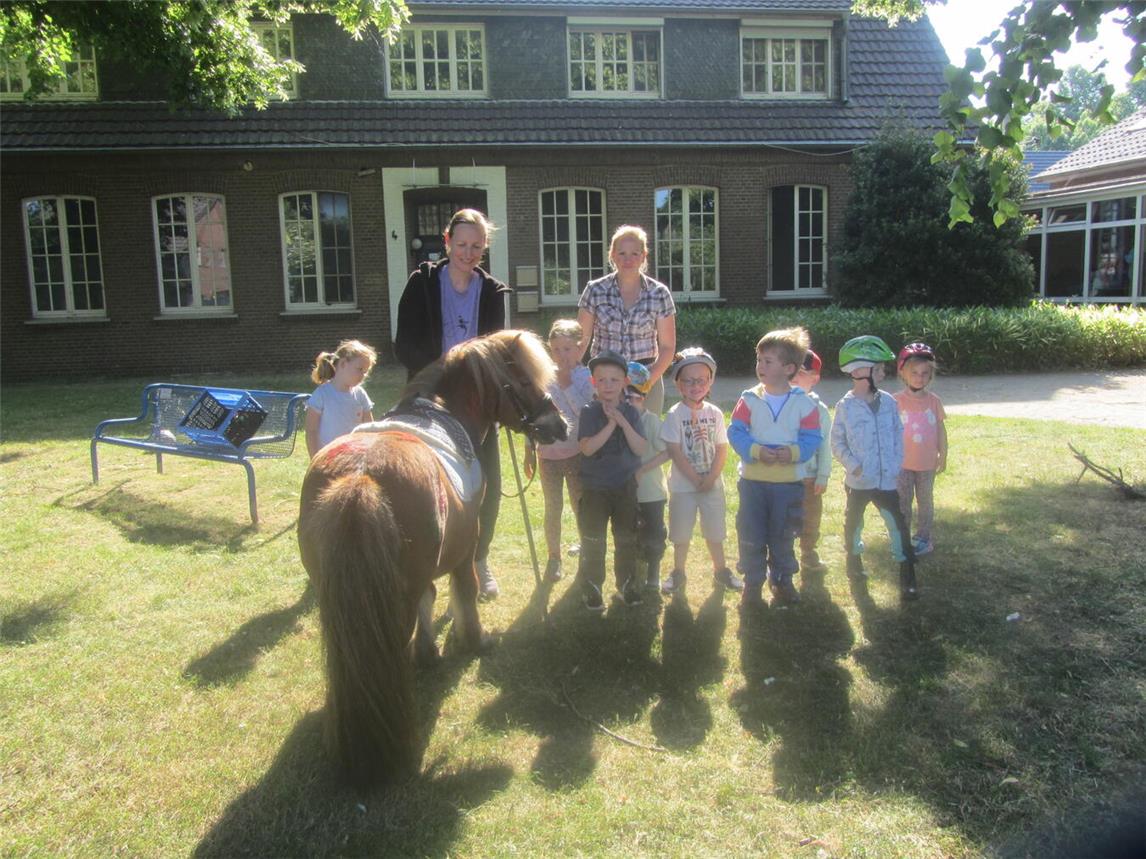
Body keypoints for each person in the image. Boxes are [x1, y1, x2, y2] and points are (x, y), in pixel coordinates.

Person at [393, 208, 510, 600]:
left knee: (488, 484)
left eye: (477, 246)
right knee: (422, 481)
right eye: (461, 245)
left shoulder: (492, 291)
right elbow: (403, 344)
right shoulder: (421, 283)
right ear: (446, 242)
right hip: (428, 395)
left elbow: (494, 350)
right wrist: (437, 375)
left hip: (475, 401)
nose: (469, 252)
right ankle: (423, 554)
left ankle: (478, 559)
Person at [728, 328, 822, 610]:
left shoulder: (804, 404)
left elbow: (812, 439)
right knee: (751, 534)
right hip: (753, 484)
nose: (760, 366)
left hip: (788, 485)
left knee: (782, 535)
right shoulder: (749, 399)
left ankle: (782, 581)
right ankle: (752, 583)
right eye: (759, 360)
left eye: (768, 361)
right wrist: (756, 451)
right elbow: (736, 432)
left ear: (789, 368)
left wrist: (792, 453)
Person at [830, 335, 918, 601]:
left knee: (898, 525)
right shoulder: (845, 407)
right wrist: (853, 465)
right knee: (854, 523)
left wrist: (894, 464)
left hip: (886, 481)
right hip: (859, 481)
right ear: (859, 371)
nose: (883, 372)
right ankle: (854, 560)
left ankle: (907, 572)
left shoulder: (890, 402)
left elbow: (897, 433)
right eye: (877, 368)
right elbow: (837, 442)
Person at [660, 347, 743, 597]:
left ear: (710, 382)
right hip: (684, 487)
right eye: (688, 380)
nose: (695, 385)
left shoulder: (715, 413)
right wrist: (695, 478)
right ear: (678, 383)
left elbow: (721, 449)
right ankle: (678, 571)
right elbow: (675, 451)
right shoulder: (675, 415)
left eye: (701, 380)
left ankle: (721, 570)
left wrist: (711, 478)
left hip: (711, 486)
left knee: (715, 530)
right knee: (681, 532)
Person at [577, 225, 676, 415]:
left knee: (644, 440)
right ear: (612, 255)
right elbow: (581, 340)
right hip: (603, 378)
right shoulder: (594, 290)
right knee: (602, 439)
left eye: (634, 253)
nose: (628, 259)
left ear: (643, 255)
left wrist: (646, 381)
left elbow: (667, 347)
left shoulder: (660, 293)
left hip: (646, 377)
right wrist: (572, 372)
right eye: (621, 253)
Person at [577, 350, 647, 612]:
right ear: (593, 382)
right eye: (602, 380)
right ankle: (593, 586)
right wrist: (609, 426)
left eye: (614, 380)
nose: (608, 385)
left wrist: (622, 423)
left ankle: (627, 584)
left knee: (625, 538)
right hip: (595, 488)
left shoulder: (631, 412)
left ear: (625, 382)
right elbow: (586, 448)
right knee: (594, 539)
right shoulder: (589, 412)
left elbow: (640, 448)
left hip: (624, 486)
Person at [524, 319, 594, 583]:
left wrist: (567, 385)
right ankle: (554, 557)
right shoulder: (544, 376)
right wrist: (529, 449)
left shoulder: (587, 377)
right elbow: (535, 415)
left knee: (579, 504)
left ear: (579, 348)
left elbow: (586, 414)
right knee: (552, 507)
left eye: (567, 349)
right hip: (548, 456)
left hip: (576, 453)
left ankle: (586, 548)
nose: (561, 355)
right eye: (556, 349)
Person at [893, 342, 948, 557]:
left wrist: (943, 453)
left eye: (925, 373)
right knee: (903, 502)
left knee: (925, 502)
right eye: (914, 372)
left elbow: (940, 430)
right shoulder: (895, 401)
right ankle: (902, 536)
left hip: (926, 464)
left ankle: (924, 538)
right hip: (902, 463)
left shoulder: (934, 402)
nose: (919, 377)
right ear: (903, 373)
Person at [627, 361, 670, 593]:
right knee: (629, 531)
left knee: (654, 532)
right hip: (626, 493)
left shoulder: (651, 421)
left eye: (633, 398)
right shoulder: (617, 421)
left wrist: (643, 469)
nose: (629, 403)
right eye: (624, 398)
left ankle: (653, 570)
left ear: (643, 397)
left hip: (652, 492)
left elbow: (667, 452)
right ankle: (633, 568)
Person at [793, 349, 832, 574]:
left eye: (801, 372)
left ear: (814, 378)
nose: (794, 377)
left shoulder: (820, 410)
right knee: (784, 519)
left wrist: (823, 475)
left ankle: (808, 552)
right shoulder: (780, 404)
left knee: (810, 519)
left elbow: (825, 446)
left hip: (809, 479)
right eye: (791, 372)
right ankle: (782, 555)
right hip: (786, 477)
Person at [305, 339, 376, 459]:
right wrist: (315, 458)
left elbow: (370, 428)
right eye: (359, 369)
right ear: (343, 364)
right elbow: (311, 430)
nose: (363, 375)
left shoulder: (360, 394)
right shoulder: (322, 394)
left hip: (355, 457)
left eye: (365, 372)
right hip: (328, 459)